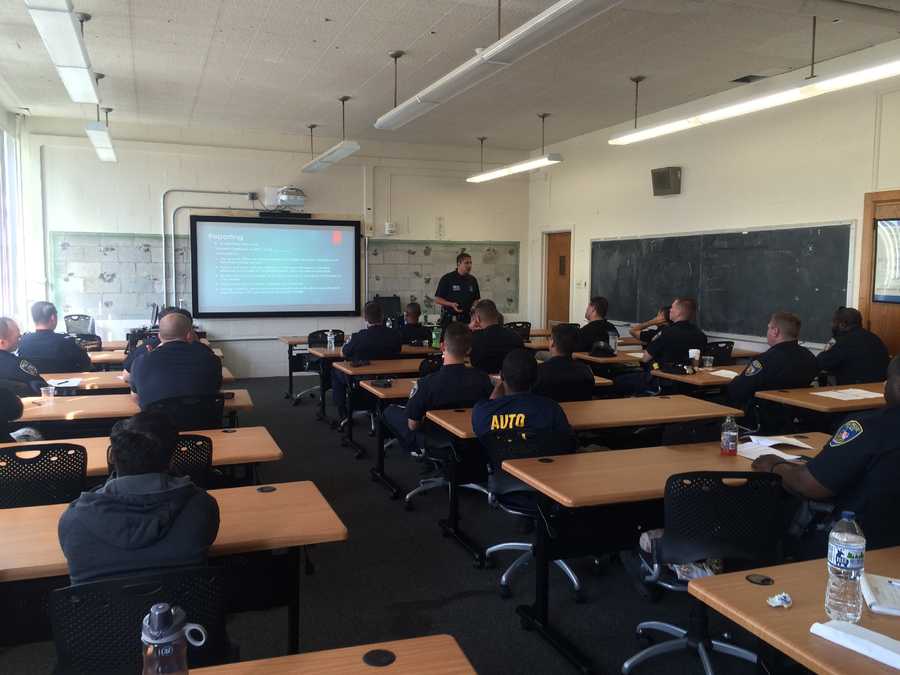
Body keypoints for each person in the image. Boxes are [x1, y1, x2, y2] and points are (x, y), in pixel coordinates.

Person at [752, 356, 900, 555]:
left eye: (888, 379)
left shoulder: (870, 427)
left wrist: (774, 465)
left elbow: (810, 486)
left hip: (855, 548)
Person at [58, 412, 220, 584]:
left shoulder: (73, 520)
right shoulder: (202, 507)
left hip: (106, 610)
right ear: (172, 459)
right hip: (179, 609)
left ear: (111, 456)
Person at [382, 323, 492, 453]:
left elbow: (413, 425)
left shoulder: (426, 383)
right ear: (469, 350)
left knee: (390, 411)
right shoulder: (483, 379)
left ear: (442, 346)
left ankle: (416, 450)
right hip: (473, 440)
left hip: (434, 440)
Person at [472, 349, 576, 452]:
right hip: (541, 467)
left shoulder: (483, 411)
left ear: (502, 376)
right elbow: (568, 442)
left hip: (498, 467)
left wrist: (494, 399)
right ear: (536, 379)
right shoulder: (551, 409)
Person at [614, 298, 706, 395]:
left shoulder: (666, 333)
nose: (670, 310)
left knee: (617, 381)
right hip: (688, 384)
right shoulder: (700, 335)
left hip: (661, 381)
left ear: (678, 312)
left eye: (672, 308)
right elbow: (698, 361)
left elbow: (645, 358)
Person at [726, 312, 819, 408]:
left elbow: (737, 390)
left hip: (760, 415)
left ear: (775, 331)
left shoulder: (766, 360)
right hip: (797, 414)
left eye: (769, 327)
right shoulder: (809, 357)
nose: (768, 331)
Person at [130, 312, 222, 409]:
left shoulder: (140, 362)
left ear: (159, 336)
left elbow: (136, 397)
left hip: (157, 423)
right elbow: (215, 391)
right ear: (190, 335)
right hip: (204, 422)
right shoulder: (211, 360)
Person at [332, 301, 403, 421]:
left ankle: (343, 412)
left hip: (360, 381)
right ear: (382, 316)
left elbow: (342, 353)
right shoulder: (394, 335)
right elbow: (398, 350)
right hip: (389, 379)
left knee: (335, 371)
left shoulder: (358, 337)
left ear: (365, 318)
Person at [817, 306, 889, 385]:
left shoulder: (840, 342)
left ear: (842, 325)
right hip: (878, 388)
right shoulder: (875, 338)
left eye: (834, 322)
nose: (831, 325)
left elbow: (820, 363)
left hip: (852, 390)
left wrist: (833, 340)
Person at [123, 307, 196, 381]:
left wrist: (148, 363)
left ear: (160, 334)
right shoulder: (203, 354)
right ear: (190, 333)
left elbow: (126, 375)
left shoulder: (148, 352)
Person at [17, 301, 91, 373]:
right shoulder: (67, 341)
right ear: (53, 317)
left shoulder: (23, 341)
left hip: (34, 384)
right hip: (67, 384)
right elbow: (87, 365)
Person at [533, 323, 595, 402]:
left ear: (552, 343)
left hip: (549, 413)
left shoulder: (539, 372)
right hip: (580, 413)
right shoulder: (586, 371)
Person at [469, 299, 524, 374]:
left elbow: (473, 363)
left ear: (477, 319)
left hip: (484, 383)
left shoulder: (476, 339)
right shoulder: (515, 336)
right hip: (510, 382)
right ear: (497, 315)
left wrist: (470, 329)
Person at [0, 317, 48, 395]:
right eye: (18, 337)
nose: (20, 338)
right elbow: (42, 387)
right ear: (2, 342)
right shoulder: (18, 364)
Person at [434, 252, 480, 327]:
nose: (469, 265)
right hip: (450, 320)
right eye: (466, 263)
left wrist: (474, 308)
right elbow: (437, 299)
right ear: (459, 263)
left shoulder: (473, 280)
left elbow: (476, 299)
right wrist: (451, 304)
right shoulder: (447, 278)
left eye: (470, 263)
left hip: (467, 320)